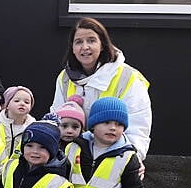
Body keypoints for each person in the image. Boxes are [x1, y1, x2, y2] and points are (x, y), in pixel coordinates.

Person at [50, 17, 151, 165]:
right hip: (73, 158)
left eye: (91, 40)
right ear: (72, 47)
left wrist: (132, 161)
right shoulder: (64, 78)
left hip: (112, 158)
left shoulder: (128, 77)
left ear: (102, 44)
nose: (85, 47)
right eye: (79, 42)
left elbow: (138, 127)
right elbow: (55, 119)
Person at [0, 86, 36, 158]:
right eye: (17, 101)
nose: (22, 104)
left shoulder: (33, 127)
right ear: (7, 105)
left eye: (27, 102)